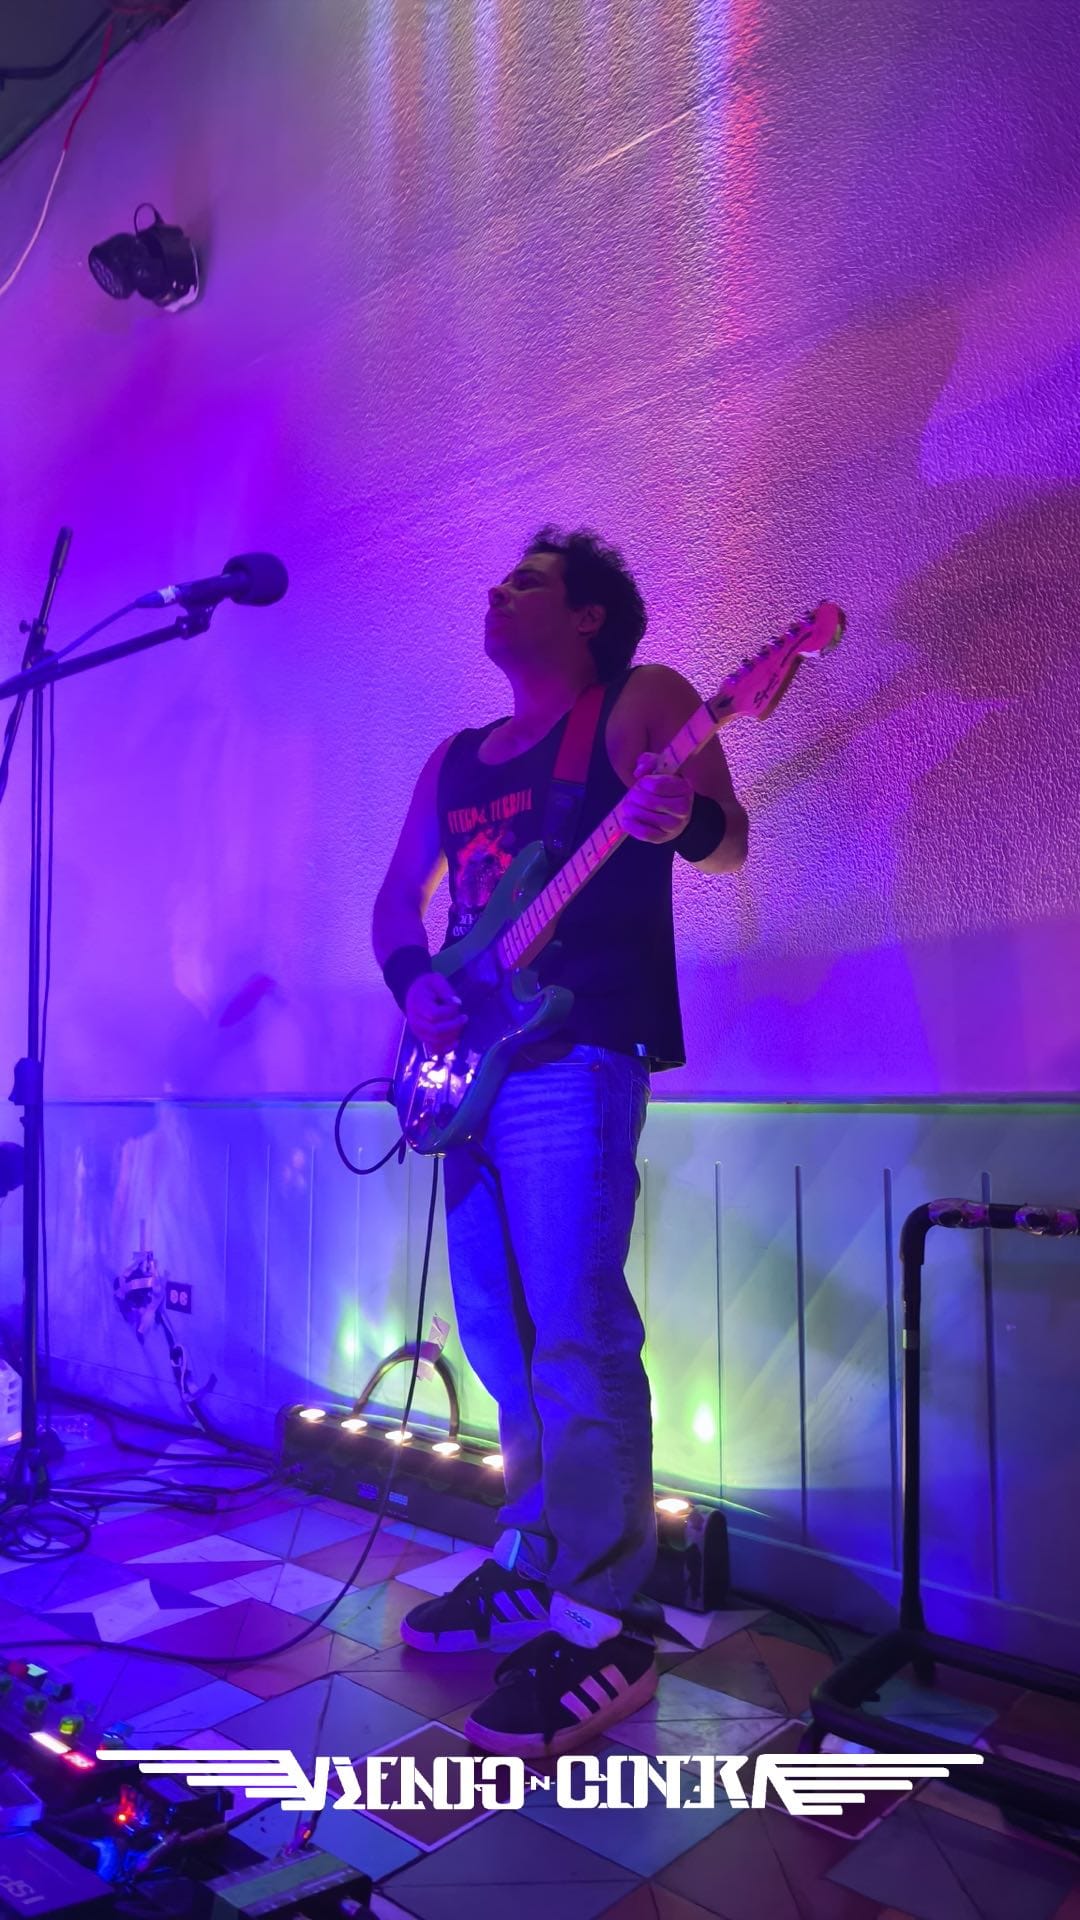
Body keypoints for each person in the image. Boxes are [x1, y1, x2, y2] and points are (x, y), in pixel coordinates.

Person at [372, 526, 748, 1757]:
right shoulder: (454, 759)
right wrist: (417, 982)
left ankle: (606, 1618)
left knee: (578, 1330)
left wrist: (680, 818)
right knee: (498, 1333)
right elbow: (399, 904)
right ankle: (534, 1560)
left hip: (576, 1053)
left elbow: (729, 839)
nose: (498, 588)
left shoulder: (641, 701)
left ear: (589, 615)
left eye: (529, 580)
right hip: (467, 1071)